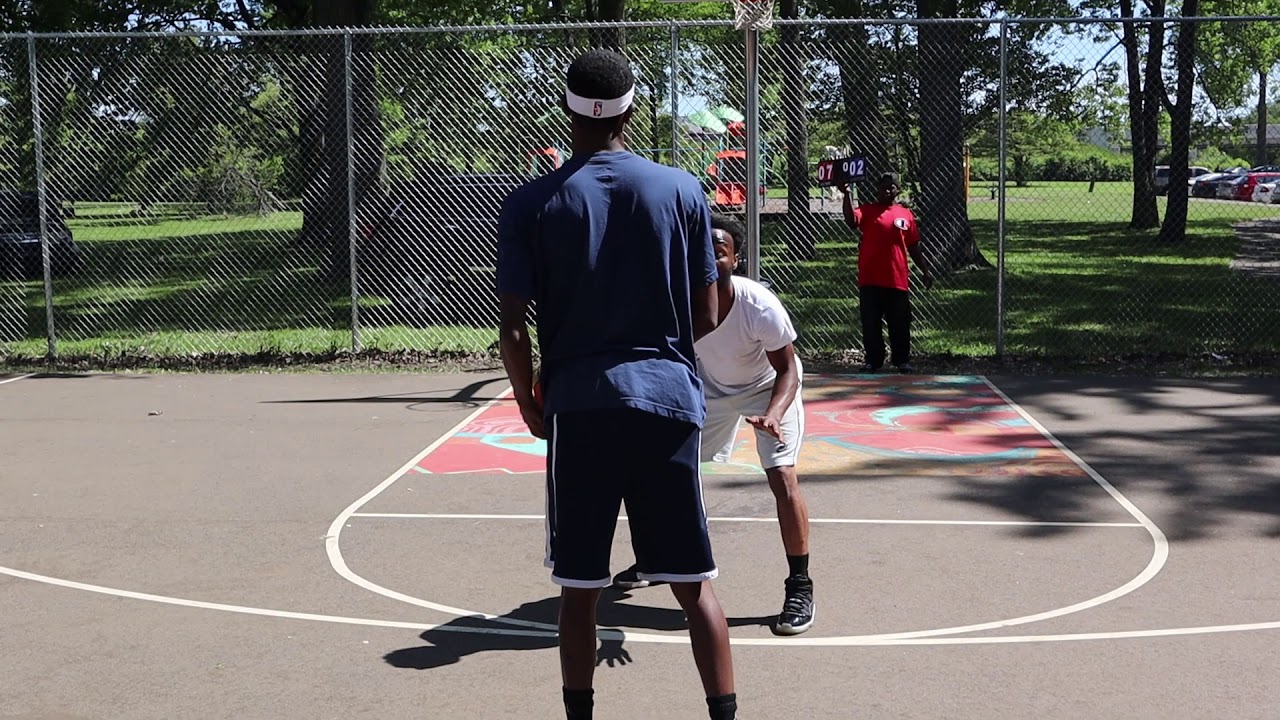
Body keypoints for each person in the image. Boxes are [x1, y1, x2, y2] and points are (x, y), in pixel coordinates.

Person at [496, 49, 739, 720]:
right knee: (695, 585)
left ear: (566, 108)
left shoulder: (530, 203)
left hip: (581, 403)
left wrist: (527, 398)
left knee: (581, 587)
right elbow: (710, 313)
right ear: (632, 108)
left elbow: (512, 328)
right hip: (667, 399)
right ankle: (724, 712)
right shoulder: (682, 191)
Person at [611, 213, 816, 636]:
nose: (709, 256)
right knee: (662, 469)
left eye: (719, 251)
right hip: (711, 389)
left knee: (782, 478)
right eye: (702, 251)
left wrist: (774, 414)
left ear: (735, 260)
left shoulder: (758, 305)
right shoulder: (678, 299)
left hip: (768, 388)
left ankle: (800, 584)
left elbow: (788, 371)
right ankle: (659, 558)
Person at [837, 172, 933, 373]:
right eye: (883, 188)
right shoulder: (868, 210)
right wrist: (846, 194)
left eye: (891, 187)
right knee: (871, 324)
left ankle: (902, 360)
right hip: (870, 279)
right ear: (877, 190)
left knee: (900, 322)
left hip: (896, 279)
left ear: (898, 190)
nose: (887, 191)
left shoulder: (905, 215)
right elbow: (851, 220)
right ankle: (873, 360)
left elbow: (914, 246)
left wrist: (924, 270)